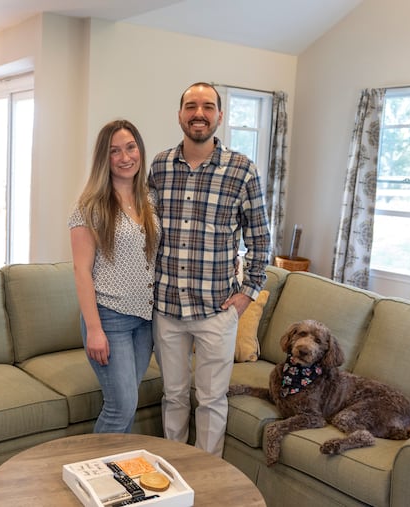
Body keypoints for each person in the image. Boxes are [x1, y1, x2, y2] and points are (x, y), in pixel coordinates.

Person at [149, 82, 271, 456]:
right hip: (167, 309)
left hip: (216, 311)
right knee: (173, 396)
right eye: (190, 106)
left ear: (220, 115)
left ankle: (206, 480)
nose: (198, 113)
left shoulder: (242, 170)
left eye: (207, 106)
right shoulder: (159, 165)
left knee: (212, 400)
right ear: (180, 114)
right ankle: (170, 476)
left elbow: (260, 240)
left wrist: (247, 294)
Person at [68, 119, 161, 433]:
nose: (125, 157)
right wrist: (94, 329)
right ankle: (92, 475)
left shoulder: (149, 202)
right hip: (110, 319)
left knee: (129, 405)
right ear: (103, 159)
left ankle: (116, 473)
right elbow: (81, 271)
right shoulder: (89, 208)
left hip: (145, 320)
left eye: (130, 147)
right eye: (114, 151)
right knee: (120, 407)